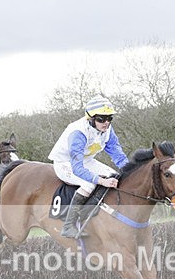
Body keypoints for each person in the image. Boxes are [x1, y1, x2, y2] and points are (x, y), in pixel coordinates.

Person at [48, 96, 129, 238]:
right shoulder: (78, 133)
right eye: (101, 119)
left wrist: (130, 170)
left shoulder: (108, 130)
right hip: (65, 163)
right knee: (89, 183)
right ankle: (68, 225)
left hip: (86, 160)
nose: (106, 123)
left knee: (115, 175)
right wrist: (101, 181)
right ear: (91, 118)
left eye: (109, 118)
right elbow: (77, 168)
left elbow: (118, 156)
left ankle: (97, 213)